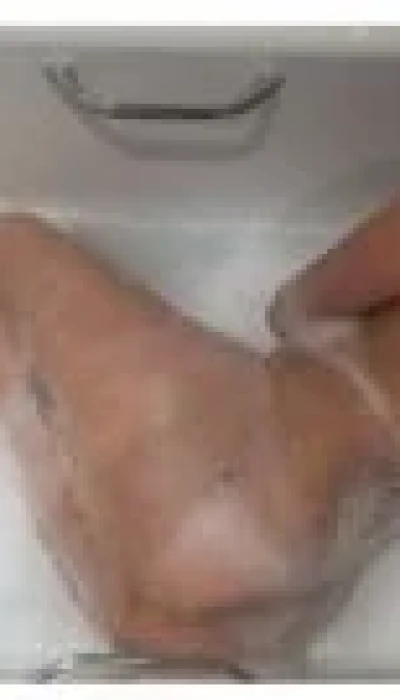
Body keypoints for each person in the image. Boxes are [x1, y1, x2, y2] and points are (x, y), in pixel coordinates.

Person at [0, 202, 399, 673]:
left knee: (13, 245)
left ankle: (127, 552)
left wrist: (296, 320)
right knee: (145, 613)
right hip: (320, 552)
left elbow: (303, 305)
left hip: (220, 478)